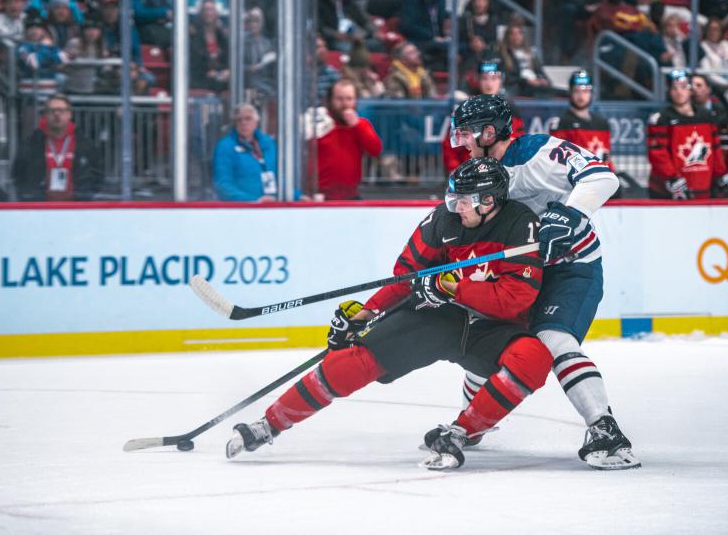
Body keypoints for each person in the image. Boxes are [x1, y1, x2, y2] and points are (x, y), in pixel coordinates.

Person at [226, 157, 554, 471]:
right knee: (353, 359)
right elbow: (404, 278)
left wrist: (453, 288)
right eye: (455, 200)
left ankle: (461, 432)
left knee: (533, 357)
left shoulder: (519, 224)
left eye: (465, 201)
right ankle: (268, 424)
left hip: (491, 327)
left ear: (490, 200)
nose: (457, 208)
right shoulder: (442, 220)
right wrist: (366, 315)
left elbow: (514, 299)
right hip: (438, 318)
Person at [448, 93, 640, 470]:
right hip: (523, 273)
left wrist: (570, 212)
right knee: (486, 340)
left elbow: (602, 176)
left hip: (571, 268)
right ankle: (474, 422)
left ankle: (605, 428)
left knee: (553, 339)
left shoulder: (537, 152)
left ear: (490, 132)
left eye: (467, 134)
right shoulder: (476, 173)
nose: (461, 143)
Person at [648, 69, 728, 200]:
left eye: (683, 86)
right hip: (667, 192)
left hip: (703, 188)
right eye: (674, 88)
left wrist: (721, 174)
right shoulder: (660, 119)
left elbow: (715, 150)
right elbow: (658, 154)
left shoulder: (707, 116)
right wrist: (672, 178)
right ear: (669, 91)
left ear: (690, 90)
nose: (679, 91)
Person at [12, 94, 102, 202]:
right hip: (40, 209)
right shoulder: (32, 144)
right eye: (52, 110)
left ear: (69, 114)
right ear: (45, 115)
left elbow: (98, 174)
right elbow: (19, 174)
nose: (57, 114)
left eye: (61, 110)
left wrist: (86, 197)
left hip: (77, 209)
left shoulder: (85, 144)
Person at [304, 79, 383, 200]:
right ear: (330, 100)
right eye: (339, 99)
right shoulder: (318, 123)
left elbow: (375, 149)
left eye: (349, 99)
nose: (345, 104)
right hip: (320, 195)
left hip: (350, 195)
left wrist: (357, 126)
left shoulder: (361, 124)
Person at [213, 103, 279, 202]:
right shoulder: (225, 147)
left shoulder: (268, 144)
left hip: (273, 205)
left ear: (256, 122)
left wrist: (296, 195)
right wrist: (253, 201)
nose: (243, 123)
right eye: (239, 120)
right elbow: (223, 184)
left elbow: (279, 176)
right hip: (243, 209)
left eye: (248, 119)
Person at [551, 70, 614, 170]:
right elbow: (558, 158)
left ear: (591, 93)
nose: (581, 96)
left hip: (600, 177)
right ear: (570, 92)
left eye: (585, 91)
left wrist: (611, 175)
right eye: (577, 91)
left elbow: (606, 157)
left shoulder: (602, 123)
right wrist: (590, 160)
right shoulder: (560, 123)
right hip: (574, 181)